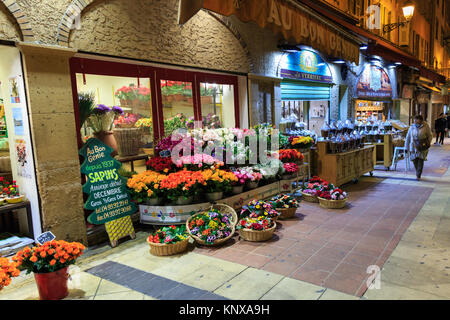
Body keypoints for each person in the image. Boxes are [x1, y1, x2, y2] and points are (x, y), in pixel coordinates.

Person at [405, 115, 432, 180]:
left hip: (422, 146)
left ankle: (418, 174)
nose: (415, 122)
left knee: (420, 160)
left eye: (417, 121)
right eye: (415, 121)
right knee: (414, 160)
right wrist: (406, 147)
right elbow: (408, 137)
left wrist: (427, 143)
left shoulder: (426, 126)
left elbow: (430, 136)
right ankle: (418, 171)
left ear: (421, 121)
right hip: (413, 146)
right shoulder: (411, 127)